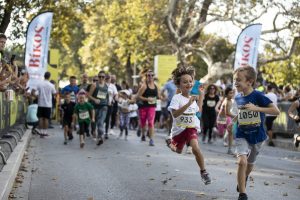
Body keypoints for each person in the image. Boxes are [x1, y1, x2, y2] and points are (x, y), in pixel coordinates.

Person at [228, 66, 280, 200]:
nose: (235, 83)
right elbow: (241, 113)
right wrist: (233, 121)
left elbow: (276, 111)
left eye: (238, 80)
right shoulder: (238, 97)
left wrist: (256, 108)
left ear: (249, 82)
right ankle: (242, 194)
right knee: (241, 162)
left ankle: (244, 177)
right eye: (234, 80)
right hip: (242, 134)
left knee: (250, 164)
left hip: (257, 136)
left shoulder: (258, 95)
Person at [165, 65, 211, 185]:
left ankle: (204, 172)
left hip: (191, 128)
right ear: (179, 84)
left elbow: (198, 112)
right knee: (178, 151)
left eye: (190, 81)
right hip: (179, 131)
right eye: (185, 82)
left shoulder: (192, 98)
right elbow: (175, 114)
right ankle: (170, 143)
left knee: (195, 148)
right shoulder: (177, 98)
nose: (188, 84)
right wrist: (187, 104)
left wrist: (201, 96)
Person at [136, 69, 160, 146]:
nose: (150, 77)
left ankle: (151, 139)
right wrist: (147, 99)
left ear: (153, 77)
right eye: (148, 75)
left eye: (152, 75)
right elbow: (138, 96)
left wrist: (162, 97)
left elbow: (159, 96)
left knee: (150, 122)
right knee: (143, 123)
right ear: (146, 77)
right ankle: (143, 134)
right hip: (143, 107)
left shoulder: (156, 86)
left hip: (152, 107)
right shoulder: (144, 86)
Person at [88, 70, 108, 146]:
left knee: (101, 121)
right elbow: (89, 95)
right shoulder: (94, 85)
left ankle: (100, 137)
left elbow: (106, 95)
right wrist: (95, 99)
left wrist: (109, 101)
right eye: (99, 77)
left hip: (104, 106)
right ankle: (95, 133)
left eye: (103, 77)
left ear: (105, 78)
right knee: (94, 122)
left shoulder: (106, 85)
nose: (101, 78)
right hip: (95, 107)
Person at [33, 72, 57, 137]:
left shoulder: (40, 84)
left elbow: (33, 91)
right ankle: (45, 132)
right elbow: (55, 93)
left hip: (40, 103)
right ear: (49, 77)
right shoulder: (51, 85)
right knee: (46, 119)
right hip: (48, 104)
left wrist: (36, 96)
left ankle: (41, 132)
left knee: (40, 118)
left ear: (44, 76)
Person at [216, 86, 235, 154]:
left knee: (230, 132)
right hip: (221, 118)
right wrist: (237, 116)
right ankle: (214, 131)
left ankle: (229, 149)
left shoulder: (231, 101)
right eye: (230, 93)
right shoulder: (227, 101)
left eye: (232, 93)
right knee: (220, 134)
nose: (232, 94)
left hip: (228, 118)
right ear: (226, 94)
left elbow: (229, 113)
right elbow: (227, 112)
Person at [104, 74, 118, 139]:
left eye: (108, 78)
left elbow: (116, 94)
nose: (107, 79)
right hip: (102, 104)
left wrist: (116, 98)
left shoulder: (113, 86)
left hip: (110, 104)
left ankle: (106, 132)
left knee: (107, 118)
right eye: (106, 78)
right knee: (102, 118)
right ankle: (100, 130)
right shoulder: (102, 85)